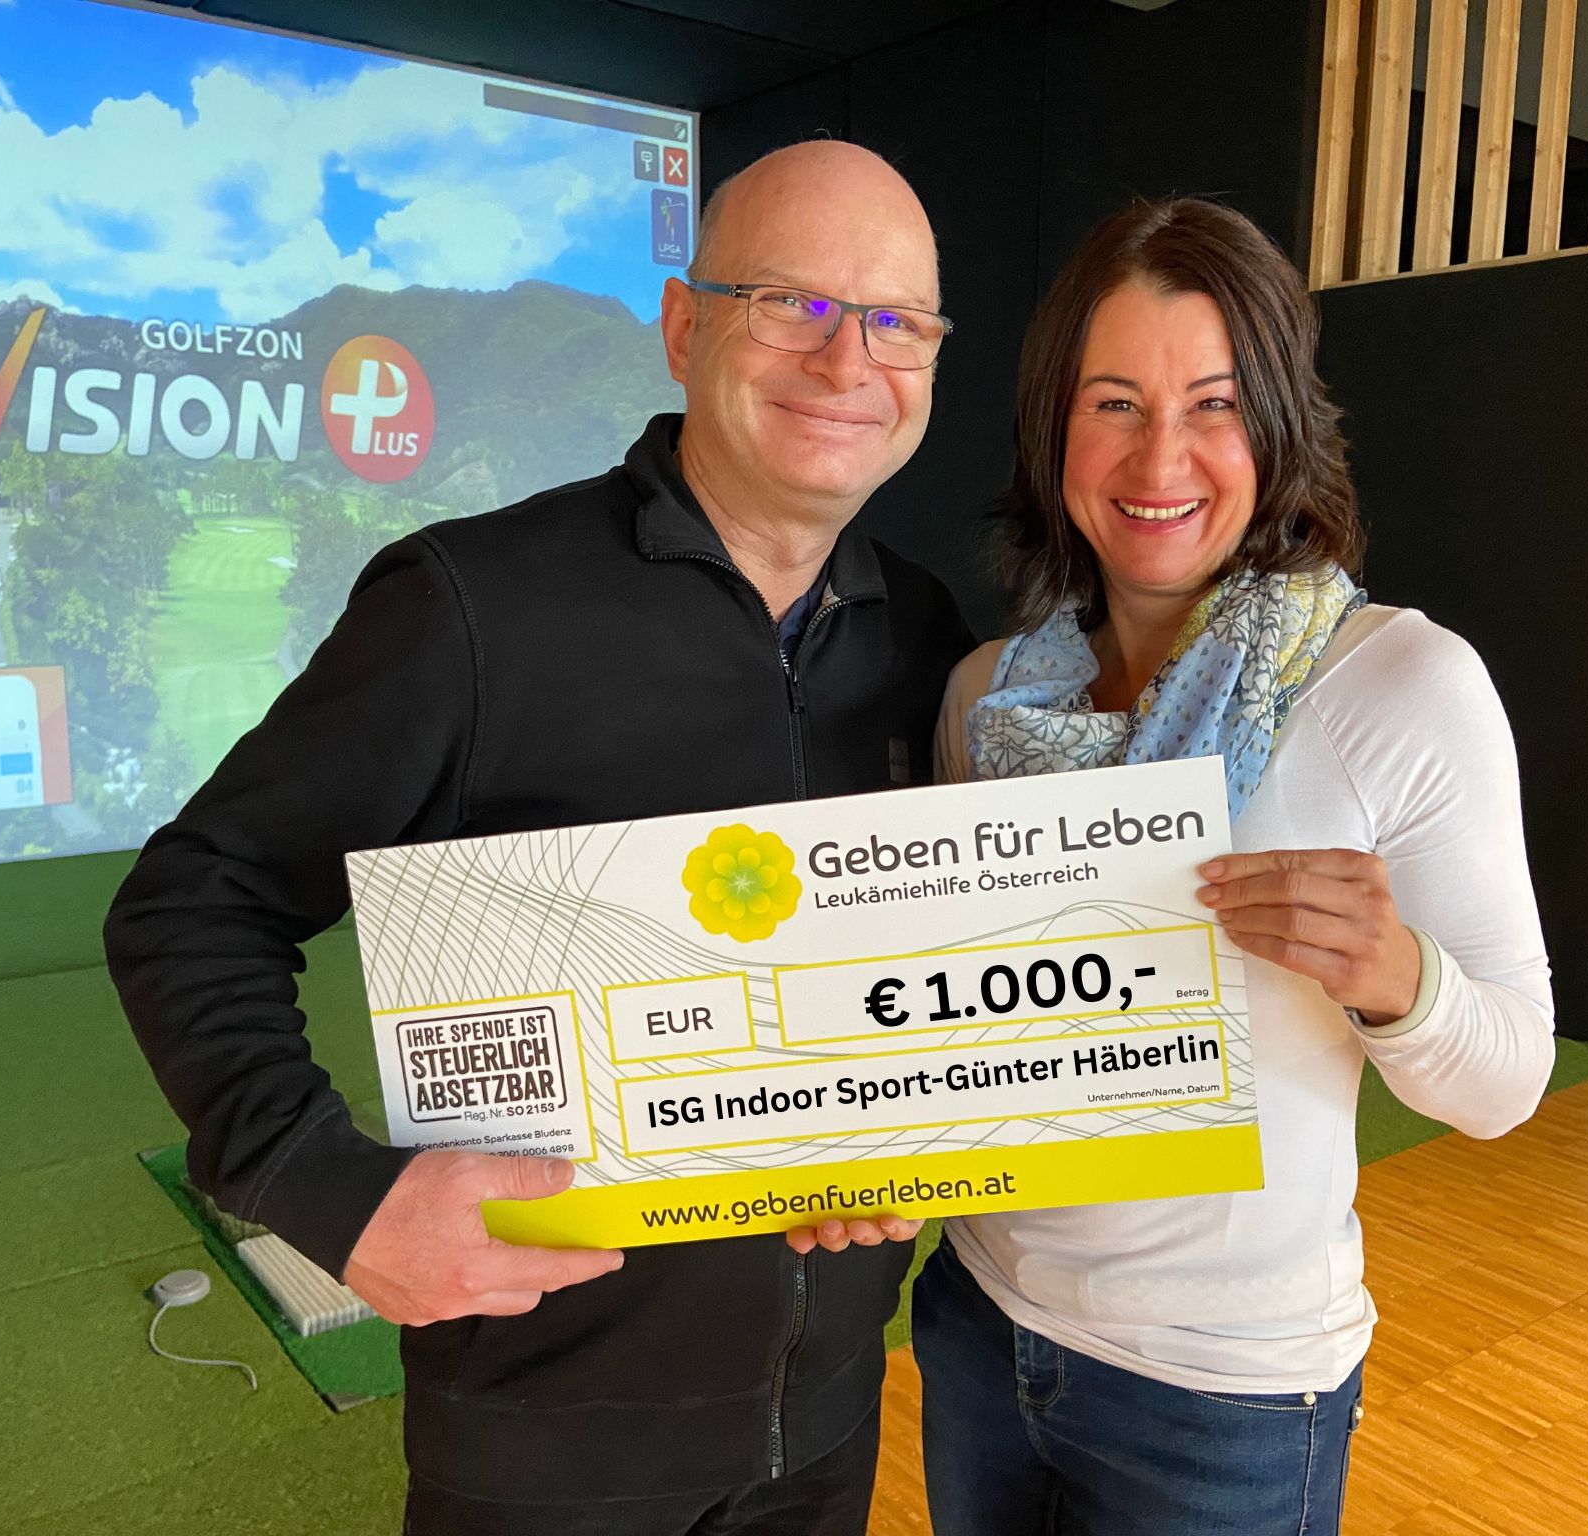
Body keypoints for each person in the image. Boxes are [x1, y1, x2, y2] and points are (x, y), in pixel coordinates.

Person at [104, 140, 968, 1535]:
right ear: (684, 327)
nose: (844, 359)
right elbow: (195, 900)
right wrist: (330, 1191)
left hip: (825, 1430)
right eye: (791, 305)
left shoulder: (930, 636)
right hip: (543, 1456)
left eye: (894, 322)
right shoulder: (471, 606)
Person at [912, 196, 1556, 1535]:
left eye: (1213, 404)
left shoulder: (1398, 683)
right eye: (1113, 403)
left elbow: (1509, 1082)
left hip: (1225, 1394)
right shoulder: (990, 694)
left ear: (1276, 423)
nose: (1162, 456)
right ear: (1053, 428)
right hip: (977, 1325)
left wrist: (1397, 977)